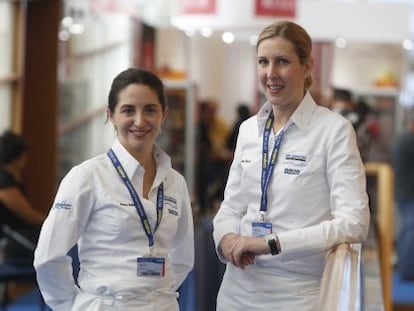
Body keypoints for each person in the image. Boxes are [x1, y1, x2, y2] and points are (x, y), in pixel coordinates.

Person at [213, 21, 370, 310]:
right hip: (237, 290)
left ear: (307, 66)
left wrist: (270, 243)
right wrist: (226, 238)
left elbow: (354, 223)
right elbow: (231, 206)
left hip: (298, 295)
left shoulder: (333, 130)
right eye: (263, 62)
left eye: (282, 62)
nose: (270, 73)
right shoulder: (249, 130)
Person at [34, 68, 194, 310]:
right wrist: (73, 305)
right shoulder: (87, 177)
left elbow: (182, 257)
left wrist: (152, 295)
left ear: (164, 115)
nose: (140, 121)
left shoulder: (176, 182)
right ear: (111, 116)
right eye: (128, 110)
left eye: (150, 110)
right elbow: (48, 257)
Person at [0, 130, 45, 302]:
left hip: (19, 236)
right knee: (49, 256)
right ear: (18, 156)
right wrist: (52, 224)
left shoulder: (11, 178)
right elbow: (27, 214)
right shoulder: (3, 180)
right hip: (13, 240)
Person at [392, 116, 414, 280]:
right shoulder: (408, 140)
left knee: (407, 230)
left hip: (403, 192)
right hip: (409, 193)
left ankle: (404, 264)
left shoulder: (401, 139)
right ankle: (407, 269)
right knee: (410, 231)